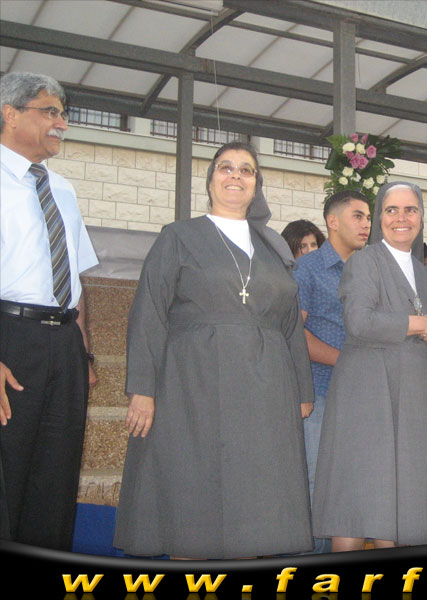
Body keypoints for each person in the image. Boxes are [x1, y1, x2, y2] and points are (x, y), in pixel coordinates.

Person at [113, 142, 314, 559]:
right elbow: (149, 312)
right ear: (209, 182)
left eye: (246, 170)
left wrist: (302, 390)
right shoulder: (179, 236)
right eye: (226, 167)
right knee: (191, 496)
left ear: (256, 185)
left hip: (265, 390)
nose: (235, 175)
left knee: (254, 498)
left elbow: (291, 324)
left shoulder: (274, 247)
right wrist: (142, 389)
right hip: (192, 384)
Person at [313, 181, 427, 551]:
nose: (401, 218)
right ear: (380, 217)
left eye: (410, 209)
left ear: (421, 217)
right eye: (391, 209)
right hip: (367, 391)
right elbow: (359, 322)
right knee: (358, 497)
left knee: (401, 500)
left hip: (414, 395)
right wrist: (419, 323)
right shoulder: (364, 261)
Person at [0, 72, 98, 551]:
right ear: (10, 114)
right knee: (8, 471)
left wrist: (85, 353)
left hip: (64, 346)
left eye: (63, 113)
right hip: (11, 338)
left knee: (56, 478)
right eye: (50, 111)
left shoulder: (62, 189)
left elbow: (74, 277)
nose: (62, 123)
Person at [292, 189, 371, 553]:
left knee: (355, 489)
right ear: (333, 222)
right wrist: (347, 360)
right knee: (316, 488)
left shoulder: (370, 270)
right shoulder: (307, 269)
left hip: (365, 397)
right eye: (358, 216)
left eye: (368, 217)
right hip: (321, 393)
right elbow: (295, 335)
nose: (366, 224)